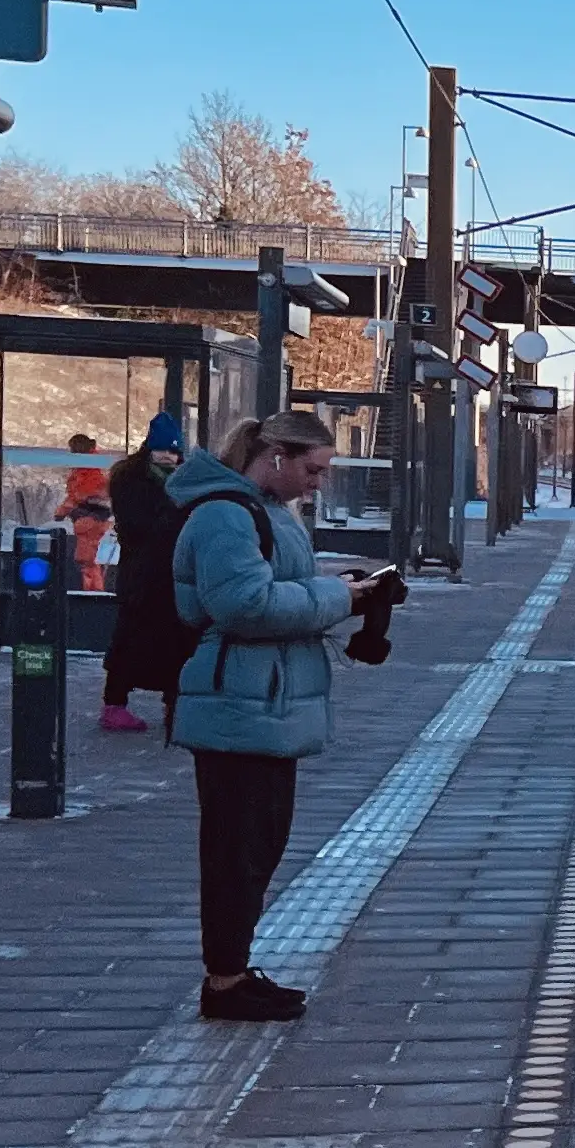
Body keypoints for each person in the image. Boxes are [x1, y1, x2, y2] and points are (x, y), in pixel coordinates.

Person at [171, 413, 401, 1023]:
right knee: (236, 852)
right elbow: (245, 605)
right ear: (275, 456)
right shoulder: (226, 514)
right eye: (313, 469)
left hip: (264, 702)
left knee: (258, 848)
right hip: (238, 702)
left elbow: (278, 589)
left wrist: (346, 592)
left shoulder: (266, 512)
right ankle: (224, 983)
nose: (317, 483)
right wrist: (338, 596)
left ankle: (233, 972)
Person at [100, 413, 191, 733]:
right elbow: (139, 525)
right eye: (162, 449)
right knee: (129, 639)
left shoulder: (181, 481)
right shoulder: (132, 481)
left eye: (174, 451)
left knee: (177, 641)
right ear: (148, 449)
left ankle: (174, 703)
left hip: (171, 573)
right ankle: (114, 704)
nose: (168, 456)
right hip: (141, 575)